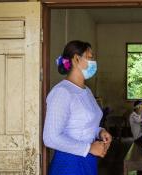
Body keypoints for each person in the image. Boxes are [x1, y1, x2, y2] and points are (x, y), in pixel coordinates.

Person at [43, 40, 112, 175]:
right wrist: (88, 148)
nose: (93, 62)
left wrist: (100, 132)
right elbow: (51, 137)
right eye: (89, 57)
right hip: (70, 163)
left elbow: (81, 125)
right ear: (76, 59)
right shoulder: (62, 92)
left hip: (88, 159)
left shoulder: (86, 91)